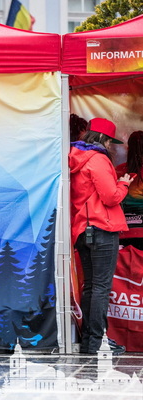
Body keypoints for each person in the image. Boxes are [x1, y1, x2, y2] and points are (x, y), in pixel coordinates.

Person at [69, 117, 133, 355]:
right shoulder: (98, 159)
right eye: (110, 142)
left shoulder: (76, 157)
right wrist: (123, 184)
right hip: (102, 229)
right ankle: (98, 342)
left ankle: (90, 342)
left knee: (91, 287)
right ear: (104, 139)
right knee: (100, 288)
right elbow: (111, 197)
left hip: (83, 230)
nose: (111, 147)